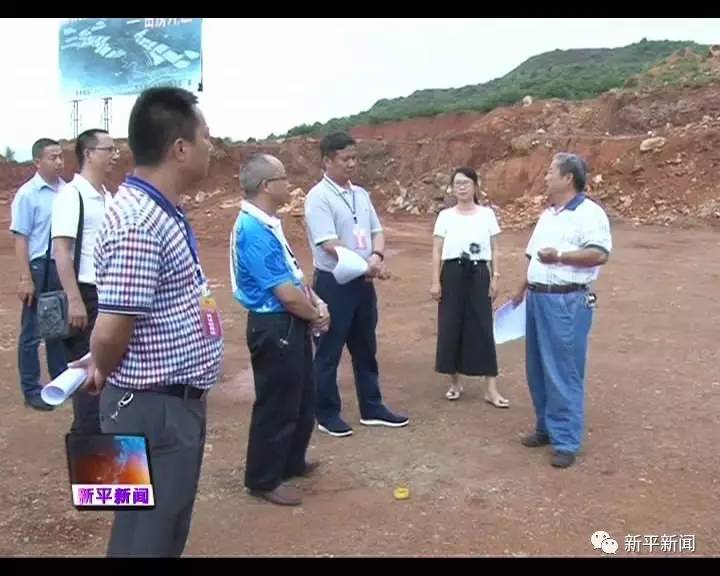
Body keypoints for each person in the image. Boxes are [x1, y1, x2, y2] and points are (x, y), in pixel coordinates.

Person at [76, 87, 224, 556]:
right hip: (152, 407)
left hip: (161, 403)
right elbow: (112, 326)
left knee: (153, 527)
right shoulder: (139, 221)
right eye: (206, 137)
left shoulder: (161, 211)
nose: (211, 147)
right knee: (150, 537)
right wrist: (101, 363)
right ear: (180, 148)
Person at [231, 154, 330, 506]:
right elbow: (285, 294)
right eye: (283, 178)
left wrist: (314, 302)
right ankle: (263, 478)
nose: (289, 185)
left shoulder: (268, 223)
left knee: (301, 397)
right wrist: (314, 314)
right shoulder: (253, 230)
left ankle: (289, 462)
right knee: (277, 403)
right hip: (275, 325)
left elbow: (293, 277)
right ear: (266, 186)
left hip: (288, 323)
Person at [304, 132, 408, 438]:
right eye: (345, 159)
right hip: (334, 283)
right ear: (327, 161)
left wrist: (376, 255)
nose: (352, 164)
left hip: (363, 283)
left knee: (365, 347)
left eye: (354, 158)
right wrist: (369, 266)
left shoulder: (360, 194)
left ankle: (372, 407)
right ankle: (326, 413)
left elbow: (376, 230)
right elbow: (328, 245)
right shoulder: (318, 198)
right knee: (329, 350)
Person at [511, 153, 612, 469]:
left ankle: (566, 440)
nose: (545, 177)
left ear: (568, 178)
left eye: (551, 172)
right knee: (538, 367)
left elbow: (598, 254)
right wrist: (519, 291)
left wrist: (561, 257)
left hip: (566, 301)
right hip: (539, 299)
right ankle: (546, 428)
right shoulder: (548, 215)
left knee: (563, 370)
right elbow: (532, 258)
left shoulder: (589, 213)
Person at [52, 129, 118, 434]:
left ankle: (104, 438)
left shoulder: (108, 196)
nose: (115, 156)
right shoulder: (72, 196)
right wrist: (75, 299)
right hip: (87, 295)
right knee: (89, 378)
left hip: (109, 294)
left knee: (108, 372)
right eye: (109, 149)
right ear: (89, 153)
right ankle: (88, 444)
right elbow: (61, 251)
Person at [431, 167, 507, 407]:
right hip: (452, 274)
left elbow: (495, 248)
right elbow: (436, 250)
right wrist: (435, 280)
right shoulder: (445, 216)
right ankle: (455, 382)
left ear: (475, 185)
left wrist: (495, 277)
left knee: (483, 327)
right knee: (451, 325)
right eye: (457, 184)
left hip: (479, 273)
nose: (461, 187)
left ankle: (491, 389)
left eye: (465, 183)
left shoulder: (486, 215)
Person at [9, 138, 68, 411]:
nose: (59, 162)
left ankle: (60, 383)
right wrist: (25, 278)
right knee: (32, 332)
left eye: (60, 157)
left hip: (62, 266)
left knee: (59, 329)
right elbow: (21, 238)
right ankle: (32, 389)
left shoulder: (67, 191)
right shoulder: (28, 194)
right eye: (53, 157)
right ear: (38, 162)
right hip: (39, 266)